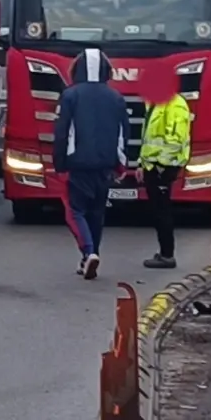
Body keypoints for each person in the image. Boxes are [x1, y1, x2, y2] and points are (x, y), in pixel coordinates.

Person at [52, 48, 131, 280]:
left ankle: (88, 252)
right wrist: (121, 164)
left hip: (77, 164)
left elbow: (62, 133)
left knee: (75, 211)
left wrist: (59, 163)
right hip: (105, 165)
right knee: (97, 213)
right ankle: (91, 254)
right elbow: (123, 134)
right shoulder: (116, 97)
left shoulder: (70, 95)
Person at [138, 69, 192, 270]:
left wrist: (161, 166)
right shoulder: (156, 104)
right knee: (158, 211)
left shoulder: (176, 105)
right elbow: (149, 138)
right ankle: (164, 253)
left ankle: (167, 255)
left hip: (163, 167)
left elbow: (174, 140)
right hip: (154, 166)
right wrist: (142, 163)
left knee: (162, 212)